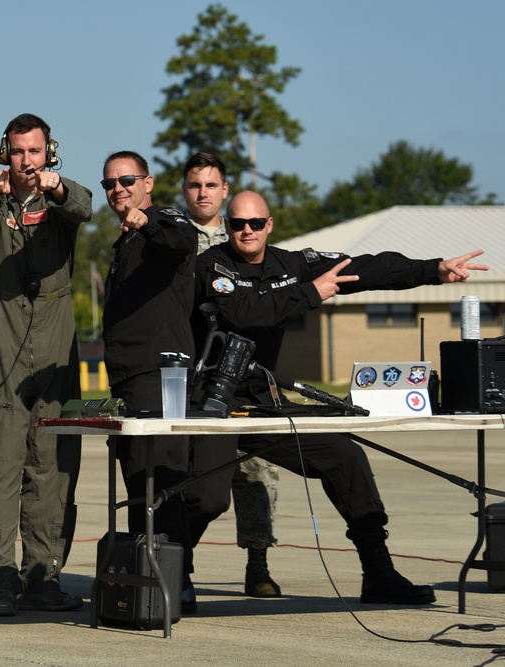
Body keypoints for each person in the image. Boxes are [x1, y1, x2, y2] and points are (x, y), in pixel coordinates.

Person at [191, 190, 488, 605]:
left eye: (255, 223)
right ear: (227, 226)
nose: (246, 231)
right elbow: (243, 312)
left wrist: (434, 269)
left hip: (264, 403)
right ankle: (176, 572)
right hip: (212, 405)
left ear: (269, 225)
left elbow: (365, 268)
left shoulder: (290, 264)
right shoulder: (212, 265)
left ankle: (378, 572)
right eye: (238, 224)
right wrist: (311, 293)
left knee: (344, 457)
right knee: (206, 498)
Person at [0, 113, 92, 617]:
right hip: (1, 335)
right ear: (4, 153)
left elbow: (84, 207)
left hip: (57, 338)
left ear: (49, 153)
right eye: (17, 152)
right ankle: (2, 577)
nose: (26, 161)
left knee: (54, 463)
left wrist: (56, 190)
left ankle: (44, 575)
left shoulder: (59, 200)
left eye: (34, 152)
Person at [99, 151, 199, 612]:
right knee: (140, 483)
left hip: (160, 377)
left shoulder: (162, 220)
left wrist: (146, 222)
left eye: (126, 180)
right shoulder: (124, 241)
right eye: (109, 184)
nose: (117, 189)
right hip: (130, 379)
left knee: (159, 482)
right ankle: (150, 581)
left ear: (148, 182)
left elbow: (182, 241)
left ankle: (173, 583)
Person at [181, 153, 282, 598]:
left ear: (225, 190)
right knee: (198, 484)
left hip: (248, 376)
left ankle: (257, 563)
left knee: (258, 475)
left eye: (211, 185)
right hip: (194, 377)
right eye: (194, 185)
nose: (203, 192)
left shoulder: (245, 230)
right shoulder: (171, 236)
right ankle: (179, 564)